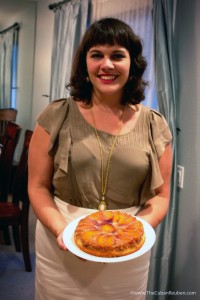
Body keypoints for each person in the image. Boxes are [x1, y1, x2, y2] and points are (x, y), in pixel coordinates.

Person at [28, 17, 172, 300]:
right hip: (62, 245)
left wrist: (132, 233)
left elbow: (162, 196)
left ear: (132, 64)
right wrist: (62, 231)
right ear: (85, 64)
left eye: (117, 55)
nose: (107, 65)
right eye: (97, 55)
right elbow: (37, 186)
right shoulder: (55, 116)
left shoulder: (155, 124)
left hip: (128, 251)